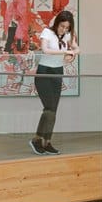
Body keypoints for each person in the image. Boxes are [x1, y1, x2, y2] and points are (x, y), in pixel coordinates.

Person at [30, 10, 77, 155]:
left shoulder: (68, 35)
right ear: (57, 23)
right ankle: (37, 140)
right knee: (49, 107)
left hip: (58, 72)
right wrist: (66, 53)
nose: (64, 29)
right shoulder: (47, 32)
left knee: (52, 110)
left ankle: (46, 141)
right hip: (44, 72)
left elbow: (75, 50)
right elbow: (45, 50)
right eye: (62, 26)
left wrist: (71, 56)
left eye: (67, 27)